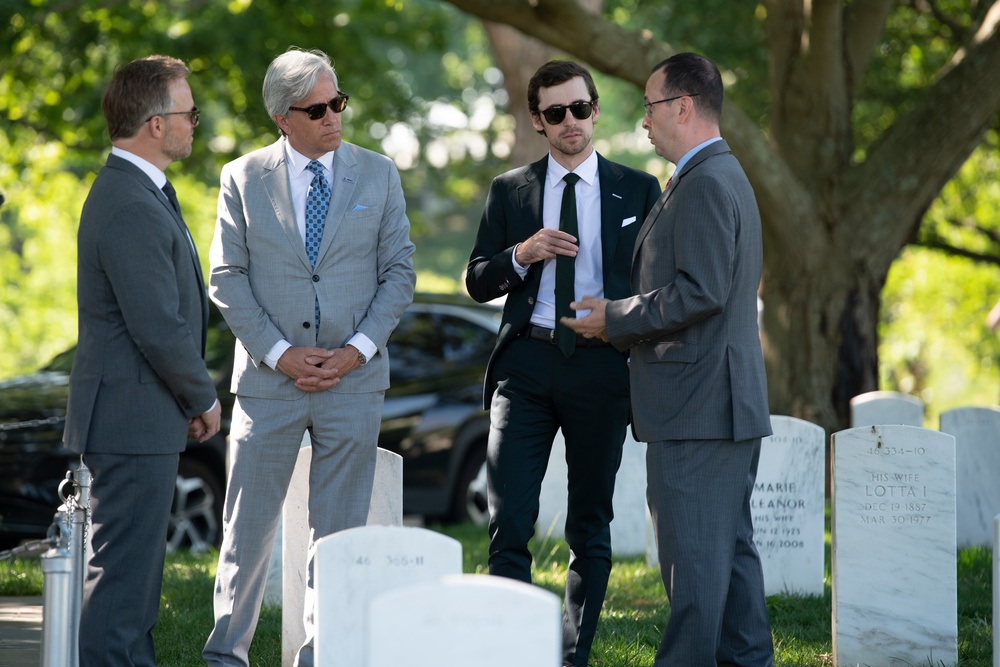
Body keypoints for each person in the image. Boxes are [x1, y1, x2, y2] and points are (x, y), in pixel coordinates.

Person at [203, 47, 415, 667]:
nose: (333, 117)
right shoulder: (241, 177)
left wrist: (355, 351)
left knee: (342, 535)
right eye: (317, 109)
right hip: (270, 384)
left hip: (354, 382)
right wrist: (280, 353)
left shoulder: (378, 174)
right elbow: (226, 277)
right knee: (247, 532)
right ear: (282, 118)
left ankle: (325, 656)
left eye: (338, 102)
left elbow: (399, 272)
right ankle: (225, 656)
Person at [563, 52, 775, 667]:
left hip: (699, 406)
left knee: (694, 578)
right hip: (716, 403)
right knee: (728, 566)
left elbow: (702, 290)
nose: (645, 121)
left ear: (682, 106)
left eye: (651, 106)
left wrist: (615, 317)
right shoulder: (714, 174)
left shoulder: (707, 180)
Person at [466, 60, 660, 667]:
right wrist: (521, 254)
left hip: (602, 366)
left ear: (596, 110)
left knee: (589, 523)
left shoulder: (640, 188)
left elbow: (657, 287)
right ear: (538, 122)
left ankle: (573, 656)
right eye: (556, 113)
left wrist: (618, 316)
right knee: (509, 520)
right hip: (525, 364)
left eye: (580, 108)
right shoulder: (510, 190)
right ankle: (510, 652)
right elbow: (476, 281)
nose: (570, 122)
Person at [64, 55, 222, 667]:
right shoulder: (129, 201)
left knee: (132, 582)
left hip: (138, 412)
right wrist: (202, 397)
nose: (194, 124)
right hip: (128, 415)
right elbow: (157, 324)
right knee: (124, 584)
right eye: (189, 113)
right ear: (157, 124)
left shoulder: (138, 190)